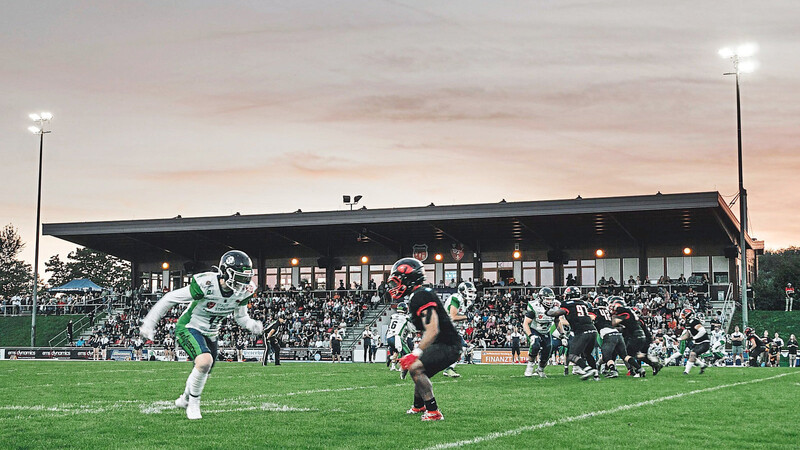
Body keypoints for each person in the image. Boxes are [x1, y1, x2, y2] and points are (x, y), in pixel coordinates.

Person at [139, 250, 263, 420]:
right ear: (226, 272)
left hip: (211, 332)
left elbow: (240, 317)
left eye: (246, 277)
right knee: (204, 362)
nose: (244, 282)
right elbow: (170, 298)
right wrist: (149, 323)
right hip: (189, 326)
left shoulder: (245, 291)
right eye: (239, 277)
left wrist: (252, 325)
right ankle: (193, 403)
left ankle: (184, 398)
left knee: (204, 370)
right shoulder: (206, 283)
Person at [393, 258, 461, 421]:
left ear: (408, 279)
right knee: (417, 369)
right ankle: (419, 405)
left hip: (447, 344)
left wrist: (414, 353)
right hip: (445, 343)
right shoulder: (420, 294)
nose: (396, 286)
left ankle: (433, 411)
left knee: (415, 367)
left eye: (398, 280)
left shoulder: (420, 296)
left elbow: (432, 330)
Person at [546, 286, 599, 380]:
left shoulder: (567, 304)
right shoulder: (583, 303)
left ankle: (587, 369)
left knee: (572, 355)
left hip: (582, 332)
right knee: (587, 354)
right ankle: (596, 375)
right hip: (593, 331)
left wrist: (547, 311)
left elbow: (556, 313)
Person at [595, 296, 640, 378]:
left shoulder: (596, 311)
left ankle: (612, 370)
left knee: (607, 355)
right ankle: (639, 369)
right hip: (618, 334)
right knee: (624, 355)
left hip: (607, 335)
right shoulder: (609, 312)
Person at [441, 281, 476, 378]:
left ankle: (448, 368)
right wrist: (466, 317)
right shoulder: (456, 298)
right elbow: (453, 316)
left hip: (451, 328)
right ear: (463, 291)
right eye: (470, 291)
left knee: (464, 347)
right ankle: (448, 369)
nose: (472, 294)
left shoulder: (466, 302)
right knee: (462, 347)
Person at [611, 298, 650, 377]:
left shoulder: (625, 313)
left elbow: (614, 323)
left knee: (626, 354)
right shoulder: (630, 314)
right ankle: (639, 367)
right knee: (629, 354)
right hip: (636, 335)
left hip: (633, 336)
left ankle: (638, 369)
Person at [523, 287, 555, 378]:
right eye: (547, 299)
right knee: (535, 344)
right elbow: (525, 323)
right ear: (541, 298)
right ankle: (529, 367)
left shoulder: (555, 307)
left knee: (548, 348)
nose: (549, 302)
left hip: (546, 331)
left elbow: (557, 321)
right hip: (535, 329)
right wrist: (530, 335)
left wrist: (562, 334)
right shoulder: (535, 306)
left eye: (551, 299)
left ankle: (540, 369)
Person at [676, 308, 709, 375]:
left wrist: (694, 337)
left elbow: (702, 331)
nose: (682, 316)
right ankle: (702, 365)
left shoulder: (694, 321)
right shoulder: (688, 323)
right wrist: (680, 339)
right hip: (698, 343)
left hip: (704, 342)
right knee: (692, 355)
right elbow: (688, 334)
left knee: (692, 354)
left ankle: (686, 372)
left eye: (683, 314)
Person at [386, 302, 413, 377]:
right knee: (408, 354)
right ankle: (403, 371)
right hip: (396, 338)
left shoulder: (393, 316)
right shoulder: (406, 317)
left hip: (388, 337)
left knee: (398, 352)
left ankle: (391, 358)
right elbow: (412, 329)